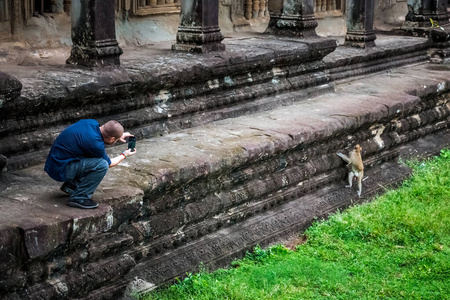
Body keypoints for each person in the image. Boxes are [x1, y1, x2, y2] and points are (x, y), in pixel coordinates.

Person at [44, 119, 137, 209]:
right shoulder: (95, 144)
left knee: (92, 155)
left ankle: (72, 185)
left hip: (54, 162)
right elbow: (110, 163)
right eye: (115, 140)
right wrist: (124, 155)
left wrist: (118, 136)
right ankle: (79, 198)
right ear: (112, 138)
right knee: (102, 165)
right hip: (60, 169)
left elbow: (100, 137)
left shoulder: (90, 122)